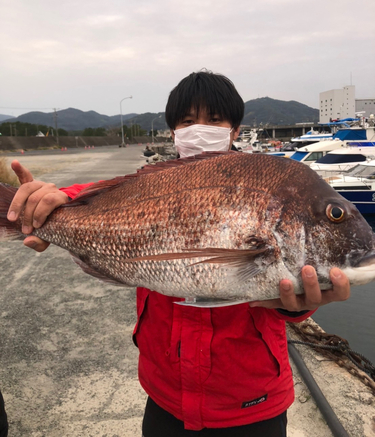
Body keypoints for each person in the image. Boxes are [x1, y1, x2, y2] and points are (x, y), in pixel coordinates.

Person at [7, 71, 350, 436]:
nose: (200, 129)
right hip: (164, 393)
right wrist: (53, 202)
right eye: (187, 121)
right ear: (173, 131)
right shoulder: (152, 180)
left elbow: (285, 286)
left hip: (252, 402)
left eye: (214, 120)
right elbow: (103, 195)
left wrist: (295, 302)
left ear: (235, 131)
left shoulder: (264, 182)